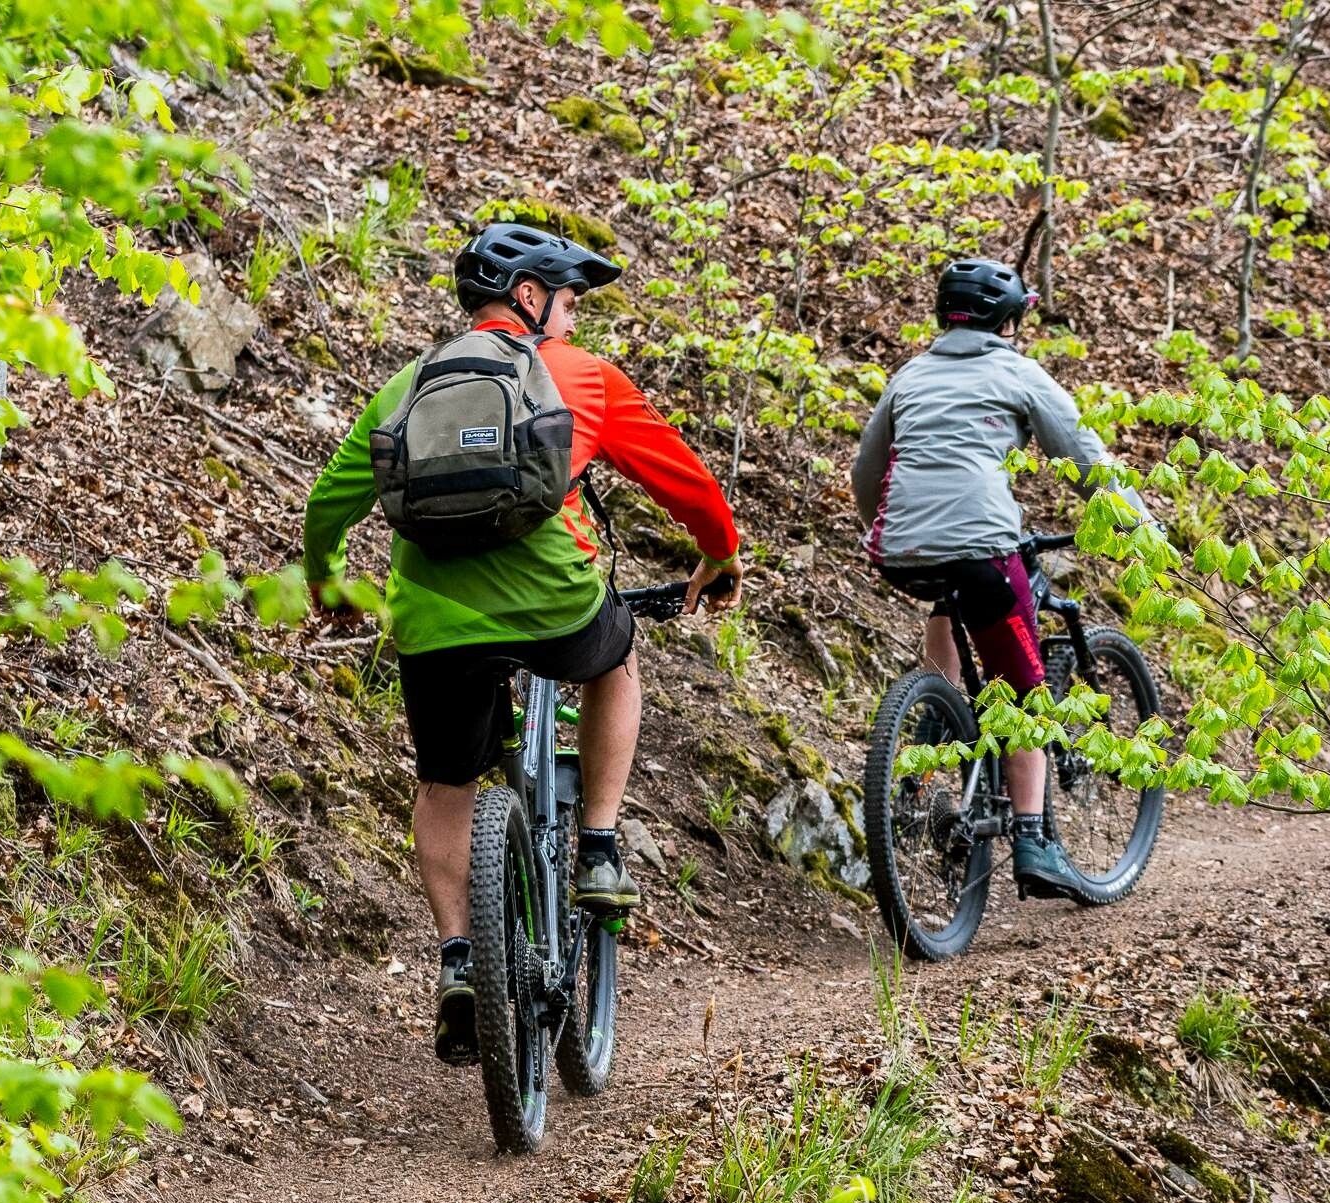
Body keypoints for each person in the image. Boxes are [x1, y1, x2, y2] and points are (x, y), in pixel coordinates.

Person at [302, 223, 742, 1065]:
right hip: (556, 607)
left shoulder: (408, 384)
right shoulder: (581, 375)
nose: (572, 321)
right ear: (529, 297)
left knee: (445, 783)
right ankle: (600, 848)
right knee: (617, 655)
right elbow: (685, 482)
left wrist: (328, 586)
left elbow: (328, 504)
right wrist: (719, 555)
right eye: (569, 302)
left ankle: (459, 960)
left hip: (435, 623)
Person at [851, 257, 1146, 901]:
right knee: (1024, 690)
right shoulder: (1017, 372)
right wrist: (1138, 525)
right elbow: (1084, 456)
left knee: (952, 596)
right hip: (982, 546)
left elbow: (864, 470)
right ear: (1006, 321)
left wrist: (889, 527)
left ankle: (933, 728)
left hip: (899, 549)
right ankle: (1035, 840)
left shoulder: (909, 375)